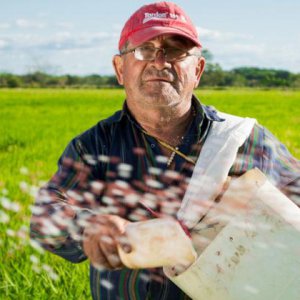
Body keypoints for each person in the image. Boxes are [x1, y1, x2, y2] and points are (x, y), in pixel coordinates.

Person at [30, 2, 300, 299]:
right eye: (144, 49)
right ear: (120, 68)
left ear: (197, 70)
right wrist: (87, 227)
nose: (160, 62)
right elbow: (44, 216)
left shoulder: (243, 140)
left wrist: (248, 203)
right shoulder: (95, 147)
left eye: (175, 50)